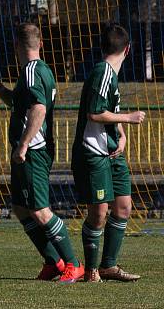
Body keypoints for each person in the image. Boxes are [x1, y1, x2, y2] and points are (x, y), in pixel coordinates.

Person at [0, 23, 83, 283]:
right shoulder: (40, 70)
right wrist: (3, 93)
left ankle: (74, 264)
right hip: (32, 149)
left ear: (16, 46)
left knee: (41, 210)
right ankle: (53, 261)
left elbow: (39, 109)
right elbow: (25, 104)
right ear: (40, 43)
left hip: (33, 151)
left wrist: (23, 144)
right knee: (21, 208)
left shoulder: (31, 72)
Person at [71, 22, 143, 282]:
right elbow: (94, 112)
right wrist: (130, 118)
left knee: (123, 207)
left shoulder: (110, 74)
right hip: (94, 153)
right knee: (99, 212)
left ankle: (108, 266)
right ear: (128, 49)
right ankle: (91, 270)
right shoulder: (102, 72)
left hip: (112, 152)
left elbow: (109, 109)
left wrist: (122, 133)